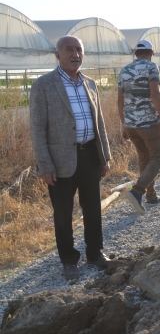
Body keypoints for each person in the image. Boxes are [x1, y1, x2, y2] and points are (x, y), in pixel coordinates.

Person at [29, 36, 112, 280]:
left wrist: (104, 157)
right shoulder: (44, 85)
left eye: (79, 50)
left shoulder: (90, 84)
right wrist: (45, 165)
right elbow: (37, 129)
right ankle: (68, 260)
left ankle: (95, 254)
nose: (75, 54)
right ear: (58, 55)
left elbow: (100, 125)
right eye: (69, 50)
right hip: (59, 161)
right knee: (63, 214)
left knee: (93, 209)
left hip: (89, 157)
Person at [117, 39, 160, 214]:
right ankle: (137, 191)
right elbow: (155, 93)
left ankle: (151, 196)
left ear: (135, 53)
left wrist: (124, 124)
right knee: (158, 157)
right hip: (148, 124)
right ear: (151, 53)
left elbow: (120, 101)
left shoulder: (124, 70)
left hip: (131, 124)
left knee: (144, 158)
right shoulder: (151, 68)